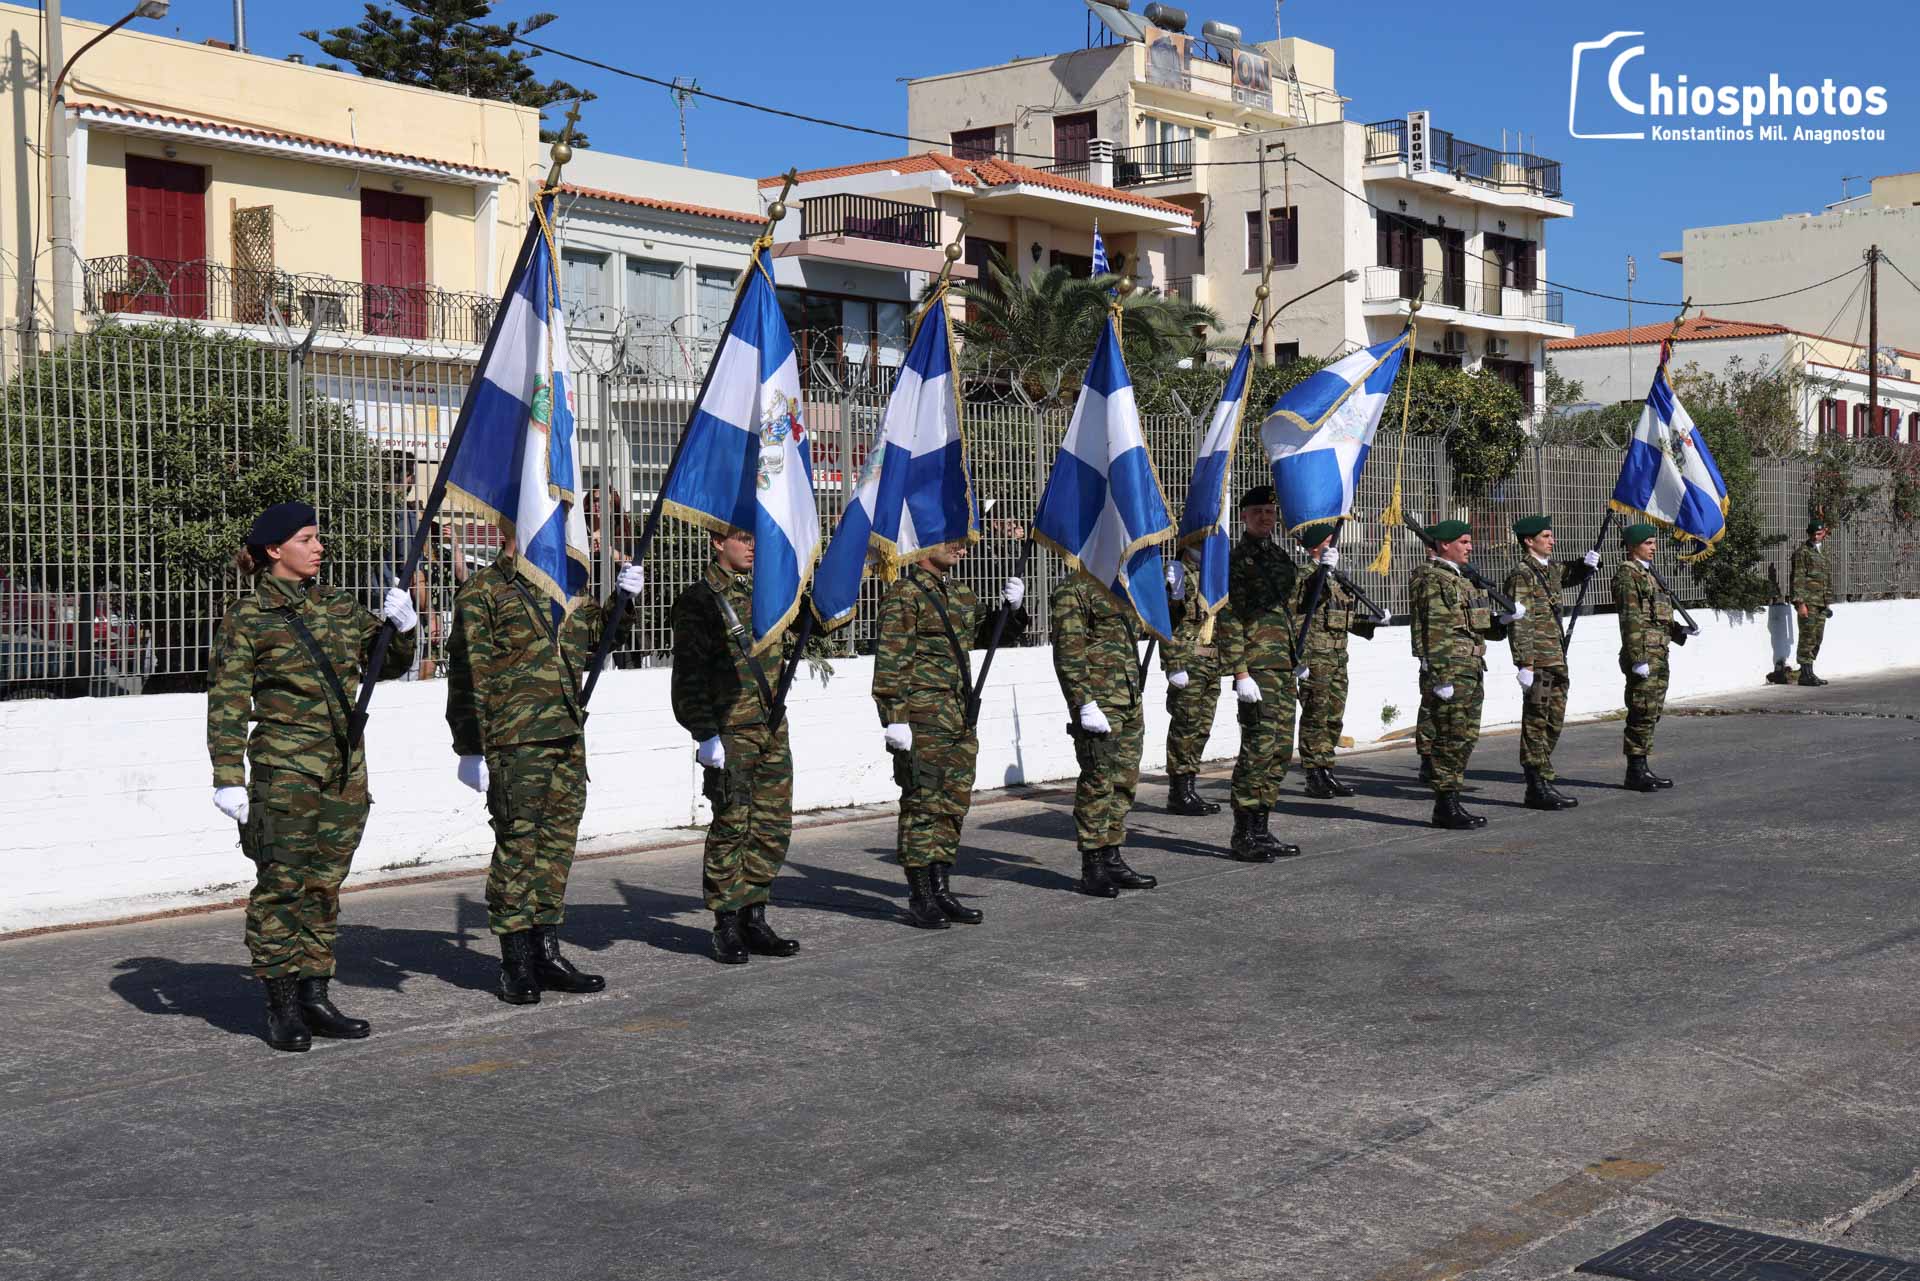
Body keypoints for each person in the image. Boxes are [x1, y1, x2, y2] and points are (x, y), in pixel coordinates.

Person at [207, 500, 419, 1052]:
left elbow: (388, 664)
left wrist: (403, 626)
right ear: (275, 550)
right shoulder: (247, 617)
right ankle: (281, 1007)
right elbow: (228, 702)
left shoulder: (339, 607)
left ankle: (315, 994)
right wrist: (228, 775)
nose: (319, 547)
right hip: (286, 772)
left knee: (324, 887)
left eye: (317, 538)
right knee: (283, 887)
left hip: (344, 770)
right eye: (306, 539)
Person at [445, 538, 642, 1003]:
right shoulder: (484, 590)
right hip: (515, 741)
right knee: (518, 848)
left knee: (556, 849)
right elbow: (466, 671)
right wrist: (470, 747)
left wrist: (623, 603)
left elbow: (599, 638)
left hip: (567, 736)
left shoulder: (564, 582)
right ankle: (514, 961)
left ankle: (545, 951)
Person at [871, 539, 1026, 928]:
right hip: (922, 718)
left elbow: (992, 638)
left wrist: (1014, 610)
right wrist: (894, 717)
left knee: (953, 805)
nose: (963, 549)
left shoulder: (959, 593)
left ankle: (941, 889)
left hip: (958, 717)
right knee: (923, 805)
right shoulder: (904, 595)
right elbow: (892, 658)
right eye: (954, 542)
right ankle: (920, 895)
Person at [671, 529, 803, 964]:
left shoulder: (772, 592)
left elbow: (814, 626)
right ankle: (726, 923)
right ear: (716, 542)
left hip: (770, 728)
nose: (752, 546)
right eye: (743, 538)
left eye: (754, 539)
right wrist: (704, 732)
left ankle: (755, 915)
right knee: (732, 826)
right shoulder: (700, 600)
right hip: (730, 731)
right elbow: (689, 675)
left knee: (771, 826)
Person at [1050, 570, 1159, 897]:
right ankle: (1093, 865)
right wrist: (1083, 702)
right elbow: (1069, 649)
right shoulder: (1075, 588)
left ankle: (1112, 855)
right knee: (1098, 781)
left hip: (1127, 699)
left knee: (1124, 781)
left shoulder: (1124, 586)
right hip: (1099, 703)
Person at [1409, 519, 1519, 830]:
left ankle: (1452, 799)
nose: (1470, 547)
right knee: (1450, 738)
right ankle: (1446, 804)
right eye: (1463, 542)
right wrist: (1441, 677)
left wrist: (1505, 620)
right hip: (1452, 670)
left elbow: (1478, 626)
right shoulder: (1434, 579)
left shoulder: (1463, 581)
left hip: (1471, 669)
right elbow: (1436, 629)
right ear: (1444, 545)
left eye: (1469, 541)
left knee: (1465, 737)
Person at [1217, 485, 1302, 862]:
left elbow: (1294, 609)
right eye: (1258, 512)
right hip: (1257, 667)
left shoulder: (1283, 558)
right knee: (1257, 750)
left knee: (1280, 751)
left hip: (1284, 666)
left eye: (1270, 512)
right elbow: (1230, 618)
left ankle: (1262, 827)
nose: (1266, 518)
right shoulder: (1234, 561)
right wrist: (1239, 672)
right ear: (1244, 517)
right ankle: (1244, 833)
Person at [1502, 514, 1600, 812]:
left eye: (1551, 535)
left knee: (1553, 721)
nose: (1552, 540)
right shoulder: (1522, 574)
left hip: (1556, 658)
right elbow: (1519, 621)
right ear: (1529, 541)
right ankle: (1536, 784)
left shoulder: (1549, 570)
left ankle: (1543, 775)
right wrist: (1524, 663)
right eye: (1546, 536)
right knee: (1536, 721)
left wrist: (1587, 564)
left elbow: (1570, 573)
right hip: (1539, 660)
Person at [1290, 523, 1377, 801]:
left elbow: (1342, 619)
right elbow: (1299, 610)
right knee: (1315, 715)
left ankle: (1326, 767)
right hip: (1315, 657)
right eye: (1329, 541)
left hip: (1338, 657)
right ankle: (1313, 774)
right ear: (1315, 546)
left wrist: (1371, 621)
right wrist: (1299, 659)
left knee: (1333, 717)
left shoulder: (1337, 577)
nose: (1334, 546)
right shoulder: (1304, 575)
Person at [1615, 523, 1682, 791]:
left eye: (1654, 542)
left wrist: (1679, 631)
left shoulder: (1649, 574)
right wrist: (1637, 658)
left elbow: (1656, 616)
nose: (1653, 547)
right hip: (1644, 654)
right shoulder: (1627, 576)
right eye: (1648, 543)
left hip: (1659, 652)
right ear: (1633, 547)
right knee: (1641, 709)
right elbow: (1630, 620)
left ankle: (1642, 764)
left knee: (1652, 710)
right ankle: (1635, 770)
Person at [1160, 546, 1224, 817]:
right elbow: (1164, 620)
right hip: (1188, 660)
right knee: (1185, 726)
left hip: (1211, 661)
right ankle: (1178, 791)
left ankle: (1190, 785)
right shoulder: (1176, 574)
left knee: (1201, 728)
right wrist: (1173, 663)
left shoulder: (1213, 575)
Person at [1789, 518, 1834, 686]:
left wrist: (1828, 600)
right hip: (1808, 601)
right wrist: (1800, 603)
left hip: (1821, 602)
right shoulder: (1803, 552)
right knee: (1807, 636)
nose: (1816, 537)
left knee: (1817, 637)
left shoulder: (1824, 551)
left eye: (1819, 534)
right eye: (1813, 534)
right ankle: (1805, 675)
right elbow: (1798, 577)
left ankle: (1809, 671)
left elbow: (1827, 577)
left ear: (1824, 533)